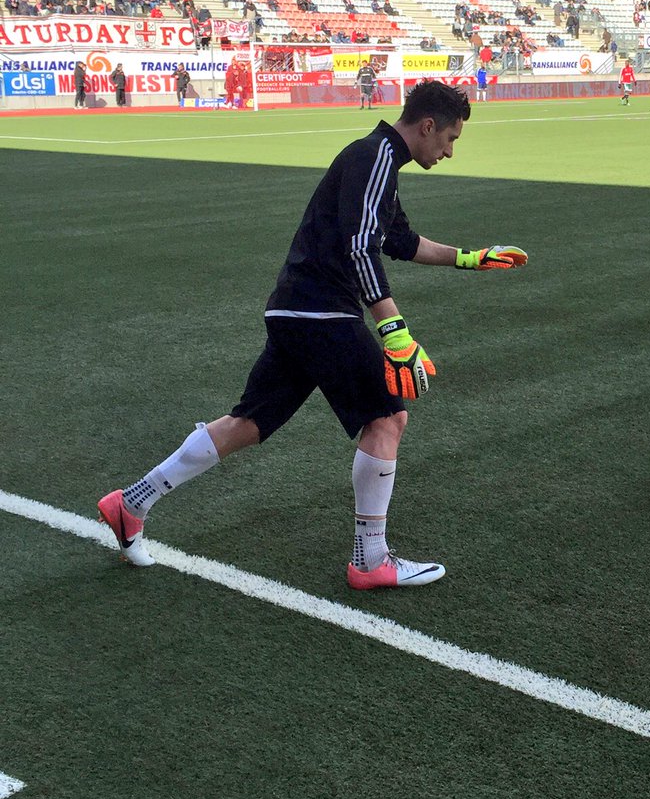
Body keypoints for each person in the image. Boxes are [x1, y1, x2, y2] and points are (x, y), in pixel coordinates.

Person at [96, 80, 529, 587]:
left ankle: (131, 503)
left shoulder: (377, 162)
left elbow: (399, 240)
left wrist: (470, 259)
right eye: (450, 138)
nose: (450, 152)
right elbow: (361, 249)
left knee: (249, 424)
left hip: (295, 311)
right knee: (387, 419)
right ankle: (370, 562)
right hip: (323, 312)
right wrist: (393, 330)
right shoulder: (374, 160)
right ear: (428, 126)